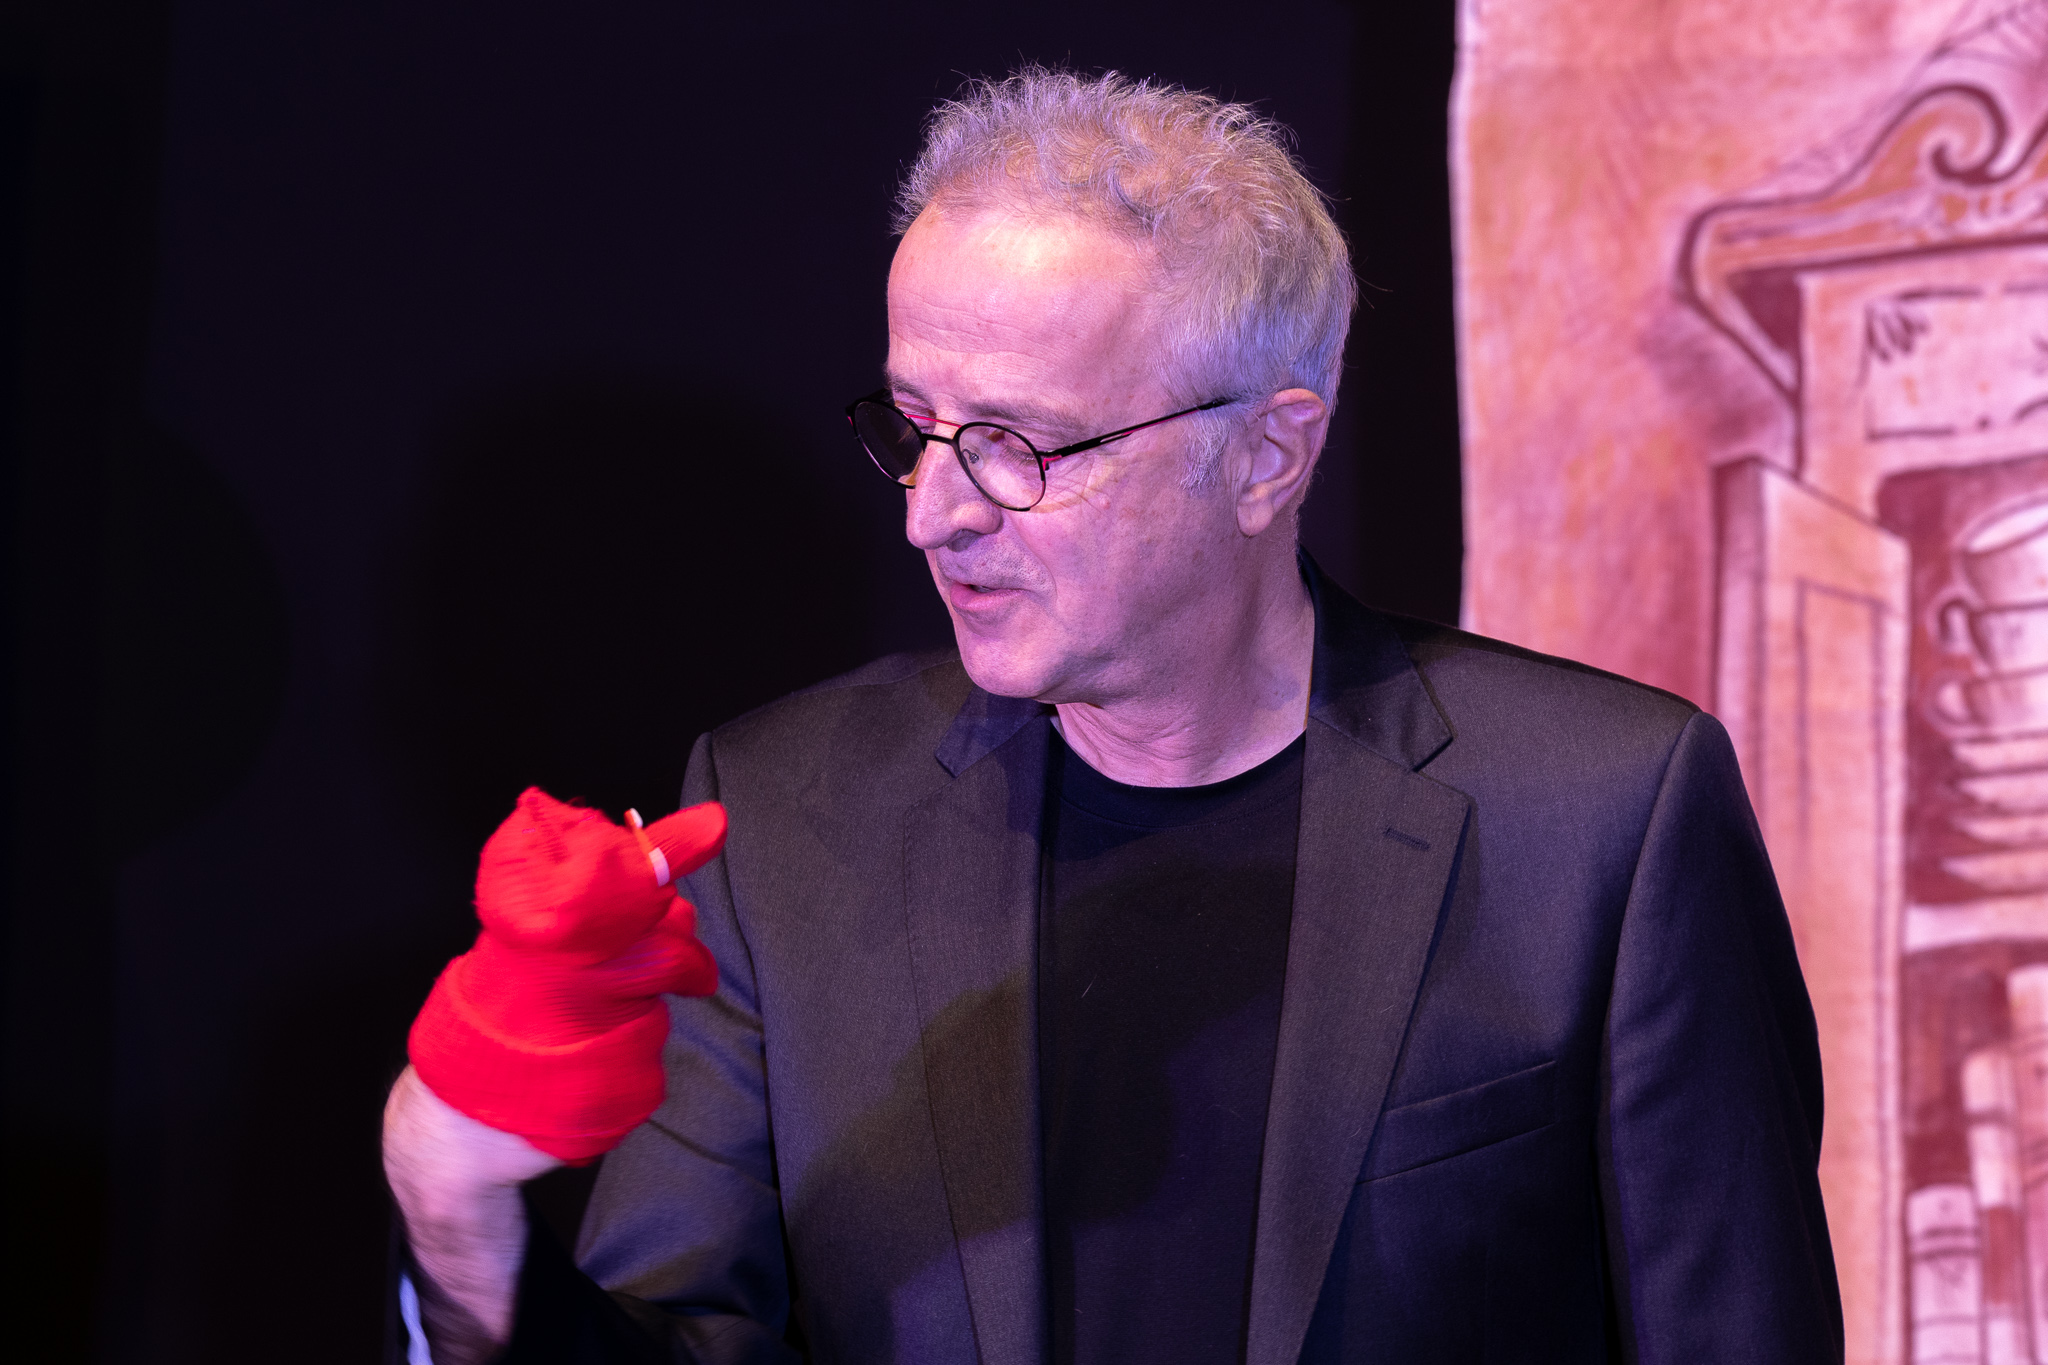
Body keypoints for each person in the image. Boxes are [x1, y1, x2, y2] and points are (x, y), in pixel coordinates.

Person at [382, 67, 1843, 1364]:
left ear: (1267, 453)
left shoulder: (1603, 820)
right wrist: (456, 1211)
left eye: (1015, 443)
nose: (934, 515)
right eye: (912, 426)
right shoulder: (780, 820)